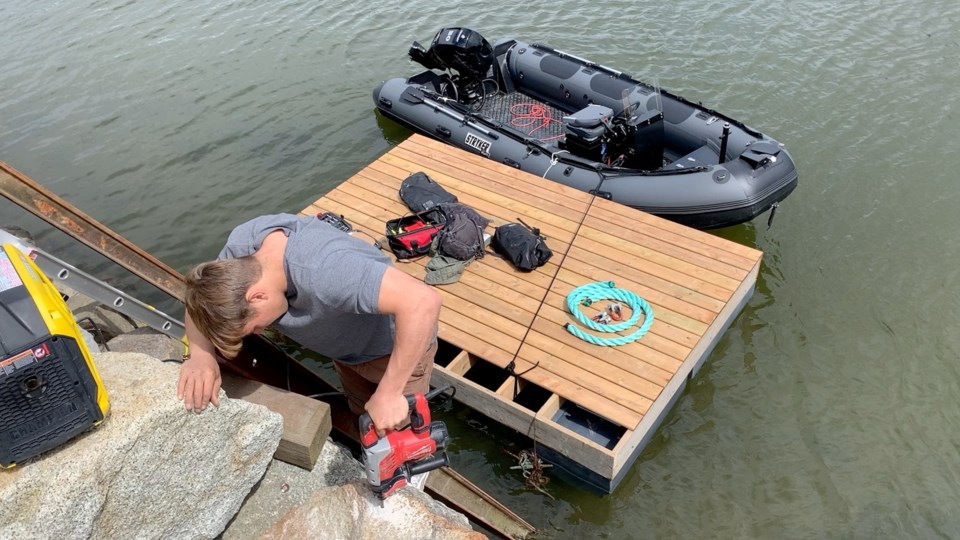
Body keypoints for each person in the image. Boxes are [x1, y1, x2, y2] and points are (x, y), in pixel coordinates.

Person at [176, 213, 442, 435]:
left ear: (257, 296)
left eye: (255, 328)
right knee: (366, 418)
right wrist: (201, 354)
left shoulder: (326, 270)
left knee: (399, 430)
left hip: (392, 350)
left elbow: (423, 302)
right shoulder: (240, 252)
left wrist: (390, 392)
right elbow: (200, 295)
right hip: (345, 353)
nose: (260, 332)